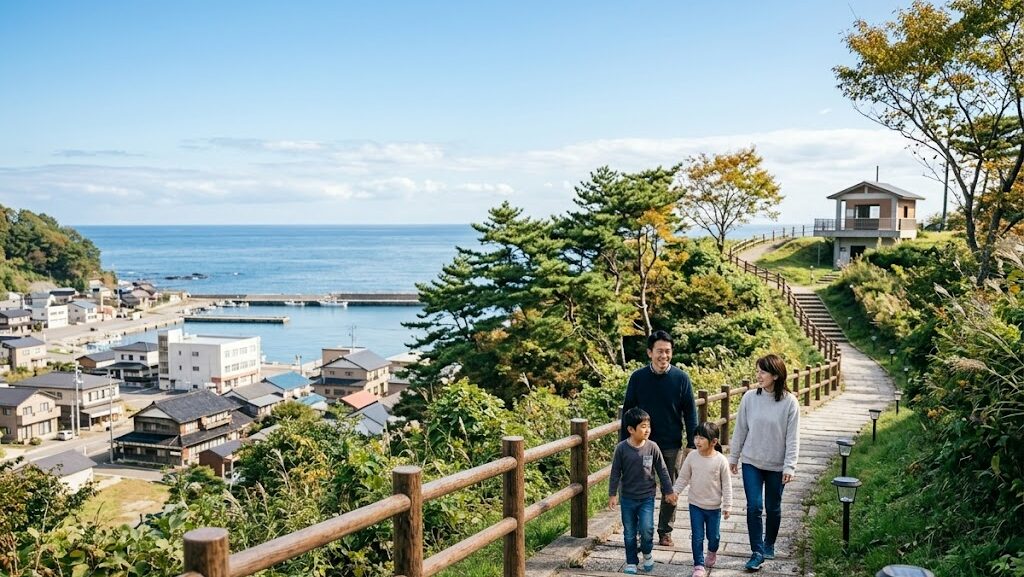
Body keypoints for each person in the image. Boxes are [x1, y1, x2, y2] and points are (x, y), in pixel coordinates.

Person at [621, 329, 698, 546]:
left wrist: (692, 443)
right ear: (649, 352)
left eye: (667, 351)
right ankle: (637, 530)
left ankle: (665, 530)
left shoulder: (681, 378)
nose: (663, 356)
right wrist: (623, 443)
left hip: (671, 443)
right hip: (639, 444)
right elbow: (627, 412)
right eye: (659, 351)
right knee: (638, 486)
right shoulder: (638, 378)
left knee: (670, 488)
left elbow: (690, 413)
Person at [728, 354, 800, 572]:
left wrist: (790, 466)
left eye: (762, 372)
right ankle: (757, 551)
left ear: (776, 375)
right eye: (757, 371)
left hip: (777, 466)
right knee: (754, 506)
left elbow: (792, 437)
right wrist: (733, 457)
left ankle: (769, 543)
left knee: (773, 508)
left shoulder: (790, 402)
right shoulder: (750, 398)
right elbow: (740, 429)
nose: (758, 375)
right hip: (752, 462)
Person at [609, 407, 676, 574]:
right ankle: (631, 561)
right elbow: (615, 472)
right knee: (630, 532)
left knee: (647, 529)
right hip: (627, 498)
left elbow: (662, 470)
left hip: (647, 496)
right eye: (643, 426)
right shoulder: (622, 449)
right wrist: (612, 494)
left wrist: (669, 491)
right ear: (631, 429)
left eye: (648, 426)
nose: (647, 430)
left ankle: (647, 552)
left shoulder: (653, 447)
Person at [671, 421, 732, 577]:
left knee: (714, 537)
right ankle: (698, 565)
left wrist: (727, 505)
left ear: (713, 441)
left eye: (702, 438)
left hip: (714, 508)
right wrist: (675, 491)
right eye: (696, 437)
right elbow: (683, 477)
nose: (697, 441)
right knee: (697, 536)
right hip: (695, 505)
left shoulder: (721, 461)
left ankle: (712, 552)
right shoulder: (692, 457)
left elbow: (727, 485)